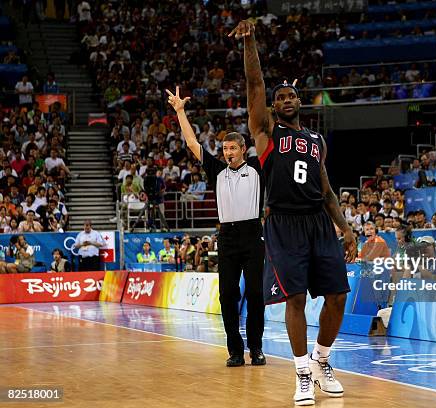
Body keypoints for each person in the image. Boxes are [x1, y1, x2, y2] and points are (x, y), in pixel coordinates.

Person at [229, 20, 357, 405]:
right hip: (283, 222)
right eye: (279, 96)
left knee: (337, 296)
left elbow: (327, 189)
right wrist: (250, 42)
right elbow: (254, 86)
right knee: (296, 299)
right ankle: (302, 373)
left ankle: (322, 361)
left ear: (299, 102)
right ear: (273, 105)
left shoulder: (316, 140)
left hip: (319, 220)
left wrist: (346, 228)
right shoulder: (267, 132)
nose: (285, 99)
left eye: (291, 96)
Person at [167, 86, 266, 367]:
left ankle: (256, 349)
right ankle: (235, 350)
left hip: (252, 233)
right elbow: (191, 142)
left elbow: (267, 138)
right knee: (227, 295)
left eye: (232, 148)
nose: (227, 152)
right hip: (228, 236)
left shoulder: (258, 168)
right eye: (224, 149)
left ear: (243, 149)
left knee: (256, 294)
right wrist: (180, 112)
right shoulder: (217, 171)